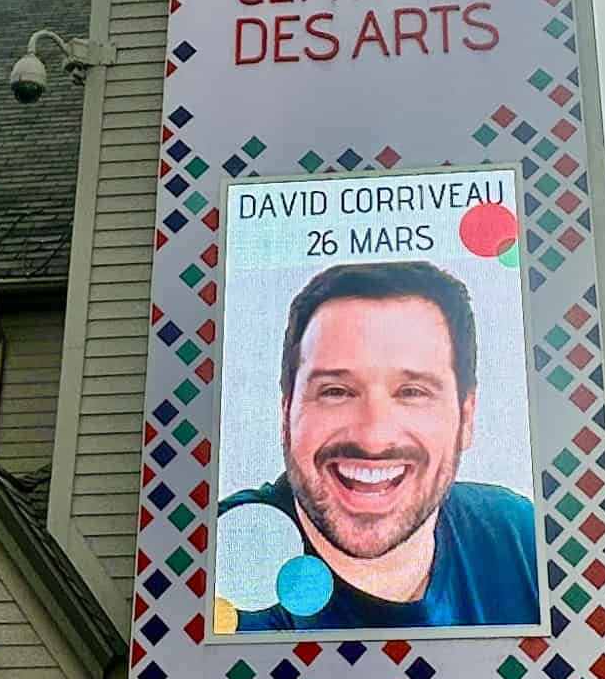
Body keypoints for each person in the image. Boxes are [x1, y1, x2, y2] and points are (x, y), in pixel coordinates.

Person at [220, 259, 539, 631]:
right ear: (286, 414)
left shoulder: (520, 538)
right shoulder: (215, 571)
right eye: (336, 391)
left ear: (466, 418)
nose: (373, 438)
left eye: (412, 392)